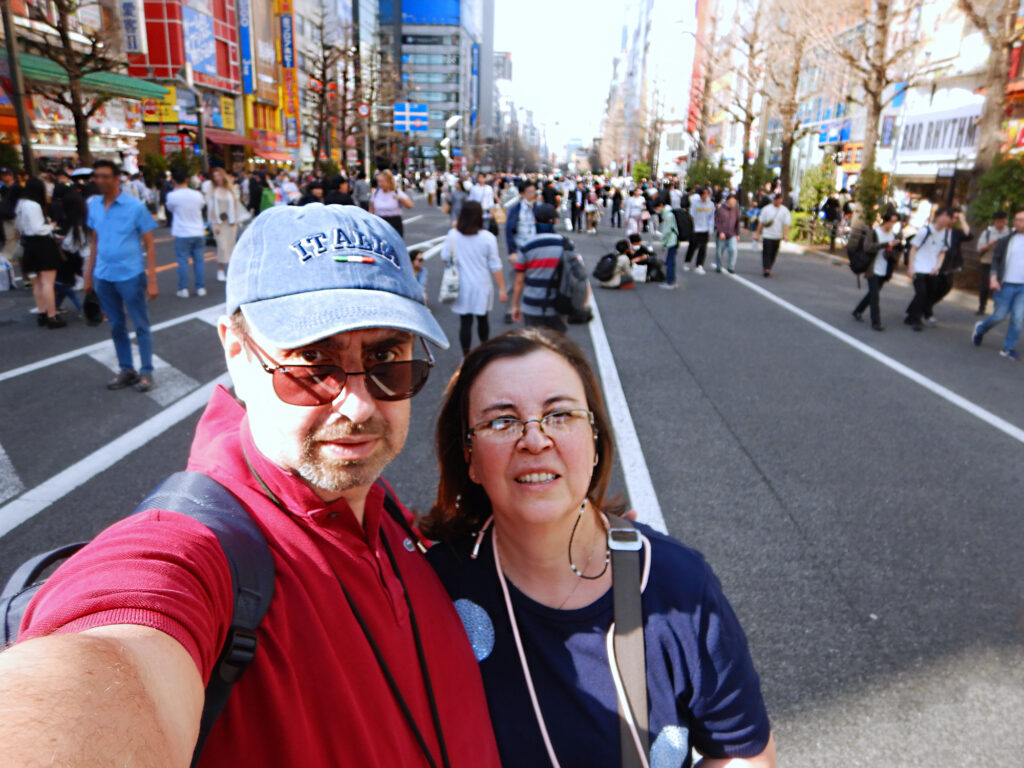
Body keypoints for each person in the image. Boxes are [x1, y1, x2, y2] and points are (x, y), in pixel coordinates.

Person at [0, 203, 503, 768]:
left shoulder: (381, 512)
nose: (359, 405)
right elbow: (115, 643)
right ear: (237, 354)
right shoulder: (199, 553)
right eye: (313, 364)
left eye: (388, 358)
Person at [424, 328, 776, 768]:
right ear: (469, 457)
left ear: (595, 443)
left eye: (560, 415)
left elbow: (742, 753)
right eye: (502, 421)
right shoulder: (433, 590)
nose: (535, 440)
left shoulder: (677, 587)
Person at [84, 159, 159, 392]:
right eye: (96, 176)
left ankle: (147, 371)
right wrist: (88, 275)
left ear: (117, 179)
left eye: (105, 176)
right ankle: (127, 369)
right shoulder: (94, 205)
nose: (100, 180)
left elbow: (150, 244)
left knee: (140, 324)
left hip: (130, 274)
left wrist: (153, 279)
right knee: (116, 325)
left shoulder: (135, 206)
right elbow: (95, 241)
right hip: (104, 275)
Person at [443, 201, 508, 355]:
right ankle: (483, 353)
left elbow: (445, 258)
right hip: (482, 284)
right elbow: (495, 265)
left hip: (461, 285)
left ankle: (466, 355)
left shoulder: (453, 235)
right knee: (482, 319)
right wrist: (502, 288)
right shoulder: (488, 238)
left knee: (465, 322)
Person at [511, 202, 574, 331]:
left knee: (534, 345)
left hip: (531, 304)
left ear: (534, 221)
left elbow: (519, 280)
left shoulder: (527, 246)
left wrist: (515, 305)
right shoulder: (566, 244)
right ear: (555, 222)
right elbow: (574, 273)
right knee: (554, 345)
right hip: (558, 304)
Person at [972, 209, 1024, 360]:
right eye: (1017, 219)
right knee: (1000, 316)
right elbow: (996, 260)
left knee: (1018, 318)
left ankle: (1008, 348)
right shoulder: (1007, 240)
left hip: (1022, 287)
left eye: (1022, 219)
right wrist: (993, 278)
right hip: (1006, 284)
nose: (1018, 222)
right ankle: (980, 329)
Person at [14, 178, 65, 328]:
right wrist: (51, 226)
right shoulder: (34, 205)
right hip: (42, 244)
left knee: (36, 282)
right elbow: (38, 228)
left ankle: (42, 313)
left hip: (28, 245)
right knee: (47, 282)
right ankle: (52, 316)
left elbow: (19, 226)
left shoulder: (20, 204)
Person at [904, 208, 951, 331]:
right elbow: (913, 248)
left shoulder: (946, 233)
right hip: (919, 267)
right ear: (937, 217)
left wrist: (938, 266)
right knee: (921, 293)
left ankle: (910, 315)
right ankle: (916, 319)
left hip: (932, 269)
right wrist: (910, 266)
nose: (944, 222)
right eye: (943, 218)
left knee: (928, 294)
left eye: (947, 220)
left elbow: (942, 252)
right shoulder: (925, 231)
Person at [851, 212, 899, 331]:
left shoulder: (892, 235)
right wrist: (885, 244)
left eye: (894, 222)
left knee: (872, 294)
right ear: (885, 220)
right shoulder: (874, 233)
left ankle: (857, 311)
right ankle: (876, 322)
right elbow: (867, 247)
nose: (892, 224)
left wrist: (892, 251)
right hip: (872, 269)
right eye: (891, 221)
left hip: (884, 270)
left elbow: (891, 253)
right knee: (875, 296)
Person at [165, 166, 208, 299]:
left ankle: (183, 288)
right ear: (187, 179)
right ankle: (200, 287)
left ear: (173, 180)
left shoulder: (172, 196)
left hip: (182, 232)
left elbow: (170, 209)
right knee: (199, 261)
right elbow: (202, 206)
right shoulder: (197, 195)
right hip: (198, 230)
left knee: (183, 261)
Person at [209, 167, 242, 282]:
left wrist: (235, 219)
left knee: (230, 247)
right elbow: (211, 208)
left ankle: (231, 271)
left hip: (230, 222)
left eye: (218, 175)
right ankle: (220, 269)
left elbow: (236, 205)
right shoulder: (213, 189)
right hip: (218, 222)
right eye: (215, 176)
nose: (217, 178)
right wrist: (215, 223)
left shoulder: (231, 189)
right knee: (222, 247)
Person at [976, 211, 1010, 316]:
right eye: (997, 221)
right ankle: (982, 307)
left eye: (1002, 221)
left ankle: (998, 308)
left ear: (1006, 221)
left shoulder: (1010, 232)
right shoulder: (988, 232)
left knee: (1000, 286)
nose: (999, 223)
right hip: (988, 261)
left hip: (1002, 264)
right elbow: (979, 248)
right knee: (984, 286)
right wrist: (993, 243)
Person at [753, 193, 791, 277]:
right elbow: (760, 222)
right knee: (767, 252)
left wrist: (786, 235)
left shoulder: (785, 210)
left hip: (777, 236)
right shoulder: (766, 209)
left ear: (781, 200)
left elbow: (787, 224)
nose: (776, 201)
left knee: (774, 253)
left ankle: (769, 266)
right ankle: (766, 268)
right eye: (774, 199)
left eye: (778, 199)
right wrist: (757, 234)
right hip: (767, 235)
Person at [369, 170, 414, 237]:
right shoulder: (376, 193)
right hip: (379, 222)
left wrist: (401, 198)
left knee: (395, 246)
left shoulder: (396, 192)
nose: (380, 184)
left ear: (389, 181)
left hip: (394, 222)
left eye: (382, 181)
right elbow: (371, 210)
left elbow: (410, 205)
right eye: (378, 181)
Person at [684, 186, 715, 275]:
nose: (704, 196)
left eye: (706, 194)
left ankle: (699, 265)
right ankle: (687, 261)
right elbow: (691, 215)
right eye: (702, 194)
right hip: (696, 228)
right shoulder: (695, 203)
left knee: (703, 247)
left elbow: (711, 217)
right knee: (692, 246)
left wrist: (710, 228)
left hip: (705, 229)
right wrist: (692, 227)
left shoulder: (711, 204)